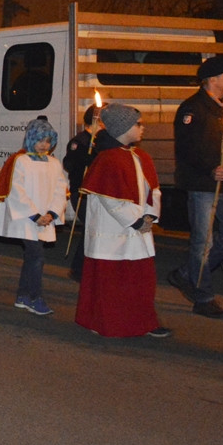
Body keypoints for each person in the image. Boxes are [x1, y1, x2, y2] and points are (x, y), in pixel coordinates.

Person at [75, 104, 171, 338]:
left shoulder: (142, 157)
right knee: (112, 282)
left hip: (139, 231)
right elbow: (109, 198)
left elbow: (153, 190)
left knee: (140, 281)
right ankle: (109, 323)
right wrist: (134, 220)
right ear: (123, 127)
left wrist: (149, 216)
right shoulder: (107, 159)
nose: (142, 128)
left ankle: (143, 322)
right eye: (137, 124)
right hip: (113, 233)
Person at [168, 55, 223, 320]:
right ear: (213, 78)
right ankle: (203, 297)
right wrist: (211, 168)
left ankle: (186, 274)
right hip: (202, 184)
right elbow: (186, 149)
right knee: (202, 241)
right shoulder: (192, 109)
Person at [0, 118, 68, 315]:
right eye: (40, 140)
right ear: (31, 139)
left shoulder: (54, 163)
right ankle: (35, 297)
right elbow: (16, 190)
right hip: (26, 219)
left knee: (32, 257)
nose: (44, 145)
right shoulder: (21, 161)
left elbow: (61, 189)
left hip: (45, 219)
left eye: (48, 140)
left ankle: (23, 295)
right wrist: (35, 215)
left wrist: (51, 213)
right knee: (37, 257)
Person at [61, 104, 104, 281]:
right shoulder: (80, 141)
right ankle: (79, 269)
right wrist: (84, 160)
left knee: (94, 229)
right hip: (82, 192)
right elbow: (68, 163)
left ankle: (87, 268)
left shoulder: (101, 141)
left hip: (97, 192)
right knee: (92, 228)